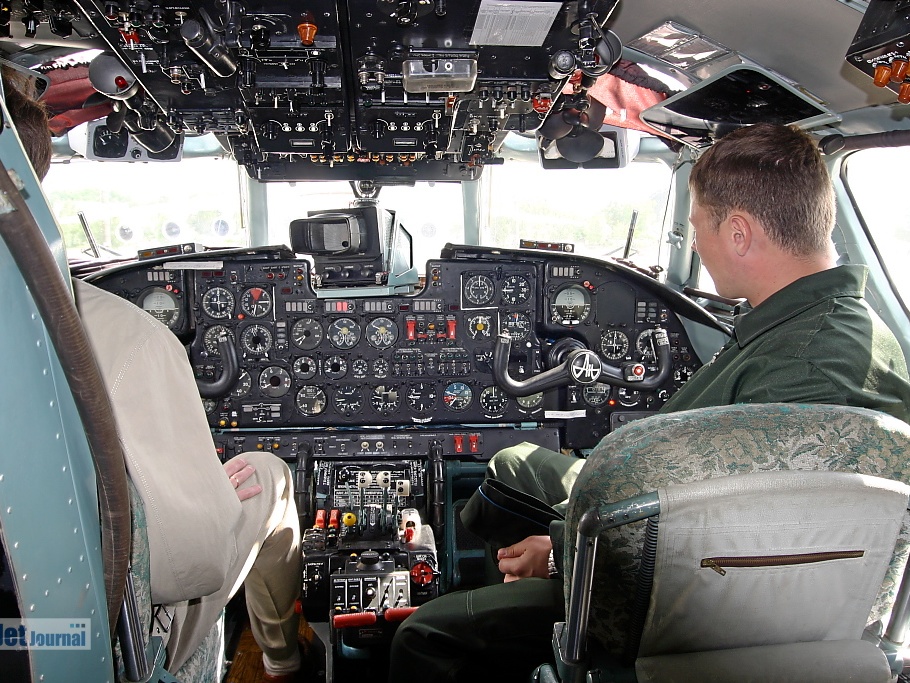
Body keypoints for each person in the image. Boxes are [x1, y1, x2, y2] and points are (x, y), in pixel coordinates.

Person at [388, 122, 910, 683]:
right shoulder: (828, 326)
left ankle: (508, 605)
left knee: (424, 636)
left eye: (696, 228)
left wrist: (563, 555)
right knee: (511, 464)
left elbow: (740, 541)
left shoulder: (807, 368)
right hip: (729, 556)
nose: (694, 245)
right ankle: (500, 582)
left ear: (738, 232)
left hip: (689, 600)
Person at [1, 67, 307, 682]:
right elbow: (189, 561)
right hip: (95, 636)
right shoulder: (121, 335)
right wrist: (210, 492)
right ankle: (281, 658)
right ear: (30, 173)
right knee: (268, 476)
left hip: (25, 633)